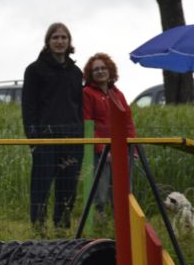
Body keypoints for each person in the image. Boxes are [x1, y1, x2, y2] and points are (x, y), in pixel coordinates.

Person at [21, 22, 84, 231]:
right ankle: (38, 228)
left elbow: (79, 106)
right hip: (45, 138)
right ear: (48, 42)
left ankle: (62, 229)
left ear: (69, 42)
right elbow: (28, 108)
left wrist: (82, 137)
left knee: (68, 188)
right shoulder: (34, 70)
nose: (59, 41)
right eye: (55, 38)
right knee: (41, 187)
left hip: (73, 138)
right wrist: (33, 140)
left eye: (63, 38)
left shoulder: (75, 72)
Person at [82, 53, 137, 214]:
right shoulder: (87, 93)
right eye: (96, 69)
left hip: (122, 150)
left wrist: (132, 148)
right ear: (90, 74)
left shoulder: (118, 94)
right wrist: (102, 150)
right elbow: (88, 124)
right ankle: (100, 228)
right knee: (100, 194)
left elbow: (128, 122)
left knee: (123, 191)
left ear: (110, 70)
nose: (100, 71)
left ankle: (120, 225)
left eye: (103, 68)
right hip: (100, 153)